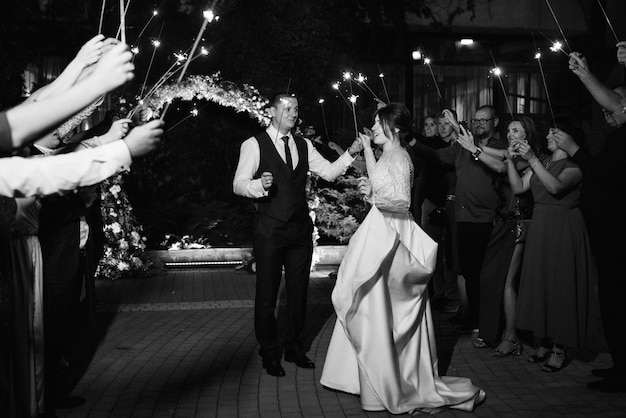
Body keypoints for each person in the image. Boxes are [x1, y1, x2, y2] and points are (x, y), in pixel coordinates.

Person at [320, 103, 485, 414]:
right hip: (380, 229)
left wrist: (372, 196)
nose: (373, 127)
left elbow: (402, 200)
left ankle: (390, 379)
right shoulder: (386, 154)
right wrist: (368, 153)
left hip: (393, 235)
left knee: (386, 307)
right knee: (371, 304)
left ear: (393, 129)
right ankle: (367, 376)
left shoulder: (401, 157)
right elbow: (379, 179)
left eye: (378, 124)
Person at [233, 93, 363, 377]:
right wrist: (259, 184)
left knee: (298, 293)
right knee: (267, 296)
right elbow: (238, 184)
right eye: (287, 108)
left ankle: (294, 348)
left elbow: (328, 173)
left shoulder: (303, 145)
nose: (293, 113)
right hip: (269, 230)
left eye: (296, 108)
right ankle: (269, 353)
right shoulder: (254, 144)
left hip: (299, 231)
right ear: (272, 110)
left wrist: (351, 153)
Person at [558, 49, 626, 392]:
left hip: (620, 235)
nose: (607, 106)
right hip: (608, 233)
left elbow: (606, 176)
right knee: (612, 303)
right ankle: (619, 365)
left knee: (618, 302)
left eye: (615, 101)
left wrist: (573, 150)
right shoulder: (614, 136)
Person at [411, 105, 507, 334]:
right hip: (463, 216)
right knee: (467, 270)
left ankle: (488, 321)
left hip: (486, 217)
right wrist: (412, 142)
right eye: (477, 120)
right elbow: (435, 155)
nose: (480, 123)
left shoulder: (500, 146)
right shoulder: (461, 148)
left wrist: (464, 137)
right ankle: (472, 317)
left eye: (485, 120)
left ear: (495, 122)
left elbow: (501, 166)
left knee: (485, 273)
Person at [511, 121, 592, 373]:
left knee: (561, 285)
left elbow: (555, 187)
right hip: (541, 225)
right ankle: (543, 340)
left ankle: (560, 345)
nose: (548, 135)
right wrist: (509, 161)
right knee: (541, 283)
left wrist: (533, 159)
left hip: (563, 227)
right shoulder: (543, 162)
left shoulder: (574, 166)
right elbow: (519, 187)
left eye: (554, 133)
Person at [464, 116, 539, 355]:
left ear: (527, 135)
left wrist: (475, 150)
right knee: (490, 277)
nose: (509, 134)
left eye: (516, 130)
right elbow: (494, 153)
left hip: (518, 223)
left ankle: (511, 337)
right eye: (508, 130)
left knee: (507, 282)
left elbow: (500, 165)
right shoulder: (511, 154)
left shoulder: (528, 159)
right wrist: (469, 142)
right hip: (503, 222)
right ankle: (493, 333)